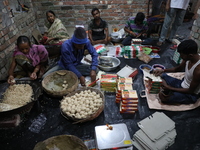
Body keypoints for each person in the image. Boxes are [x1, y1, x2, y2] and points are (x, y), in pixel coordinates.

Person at [153, 39, 200, 104]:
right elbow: (178, 69)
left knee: (164, 98)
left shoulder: (198, 70)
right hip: (182, 83)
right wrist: (163, 70)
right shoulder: (188, 58)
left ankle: (172, 92)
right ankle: (171, 90)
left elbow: (190, 91)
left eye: (182, 55)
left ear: (190, 55)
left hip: (190, 94)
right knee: (162, 75)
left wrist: (169, 87)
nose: (180, 56)